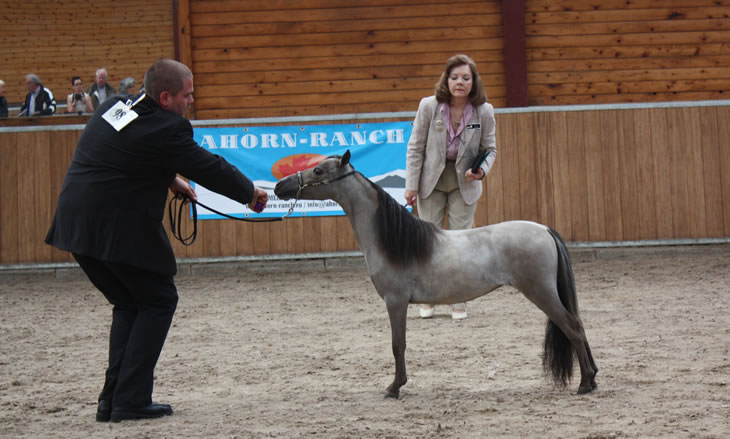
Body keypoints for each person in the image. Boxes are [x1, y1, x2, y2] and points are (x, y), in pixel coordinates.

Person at [45, 59, 269, 423]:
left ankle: (114, 400)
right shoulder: (169, 128)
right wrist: (249, 193)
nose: (191, 101)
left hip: (76, 223)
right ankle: (130, 399)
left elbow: (128, 148)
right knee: (158, 299)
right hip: (116, 227)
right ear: (165, 97)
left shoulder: (115, 105)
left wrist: (170, 180)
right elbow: (208, 166)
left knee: (130, 303)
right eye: (187, 94)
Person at [404, 54, 497, 320]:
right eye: (454, 77)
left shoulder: (484, 111)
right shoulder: (428, 106)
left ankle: (459, 301)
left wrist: (481, 170)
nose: (460, 82)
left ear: (473, 82)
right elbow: (415, 147)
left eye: (466, 78)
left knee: (460, 241)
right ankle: (428, 298)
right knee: (427, 242)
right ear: (446, 80)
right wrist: (411, 185)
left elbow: (489, 149)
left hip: (464, 182)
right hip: (430, 180)